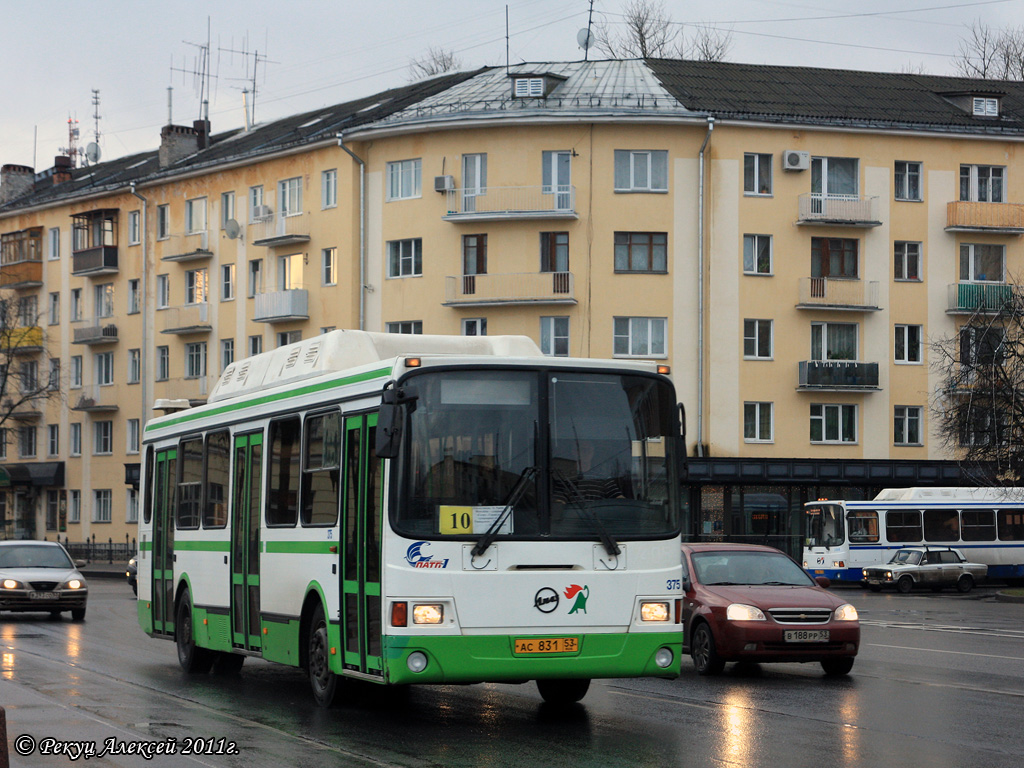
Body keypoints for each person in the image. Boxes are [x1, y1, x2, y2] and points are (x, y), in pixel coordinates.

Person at [552, 439, 627, 503]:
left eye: (589, 449)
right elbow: (559, 503)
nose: (586, 452)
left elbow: (619, 500)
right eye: (582, 449)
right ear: (573, 452)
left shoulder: (603, 477)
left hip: (598, 519)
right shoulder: (564, 478)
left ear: (593, 452)